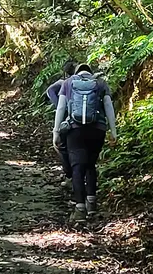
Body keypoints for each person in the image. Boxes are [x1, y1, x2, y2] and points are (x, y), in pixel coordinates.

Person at [53, 63, 117, 222]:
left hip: (75, 130)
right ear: (90, 72)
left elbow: (60, 108)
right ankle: (92, 204)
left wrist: (55, 132)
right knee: (90, 164)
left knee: (77, 167)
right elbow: (108, 105)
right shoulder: (100, 83)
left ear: (76, 73)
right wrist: (113, 131)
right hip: (97, 130)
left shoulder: (68, 83)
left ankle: (80, 208)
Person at [46, 59, 76, 183]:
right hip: (89, 121)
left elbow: (50, 92)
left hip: (66, 122)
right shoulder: (90, 82)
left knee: (63, 147)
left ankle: (70, 175)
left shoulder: (64, 83)